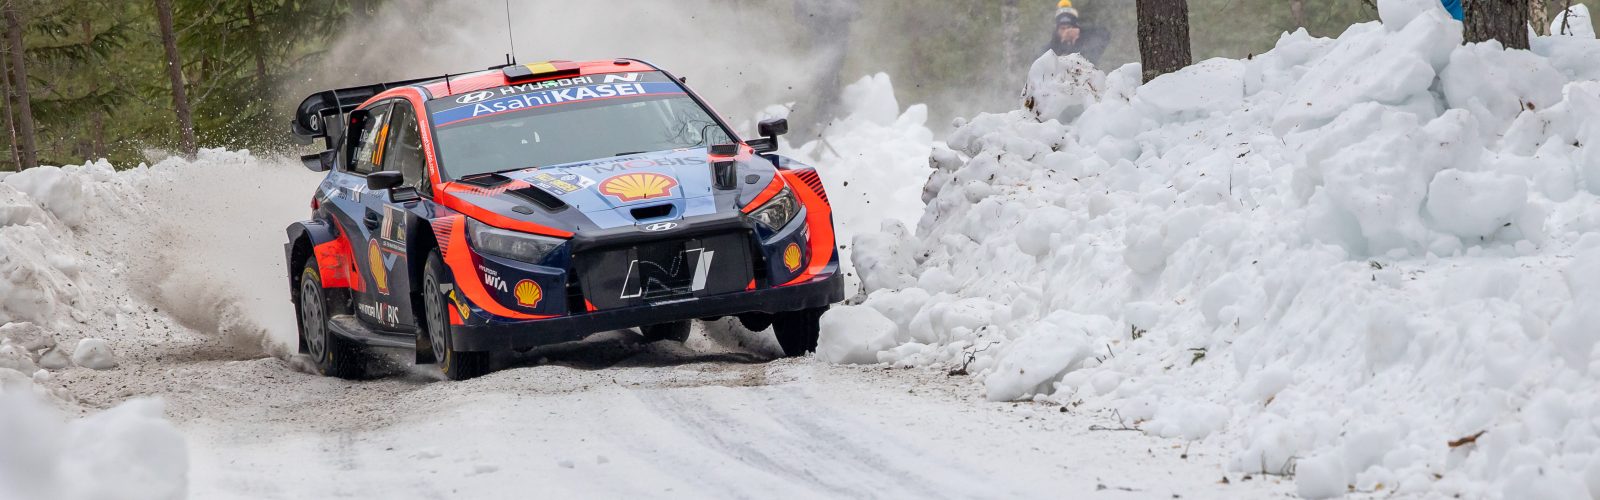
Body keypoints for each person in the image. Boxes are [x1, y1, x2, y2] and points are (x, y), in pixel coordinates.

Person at [1044, 1, 1110, 65]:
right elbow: (1041, 61)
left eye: (1069, 27)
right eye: (1063, 28)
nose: (1067, 31)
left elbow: (1104, 34)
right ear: (1057, 30)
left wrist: (1081, 33)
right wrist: (1061, 43)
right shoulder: (1051, 48)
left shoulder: (1085, 39)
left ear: (1075, 28)